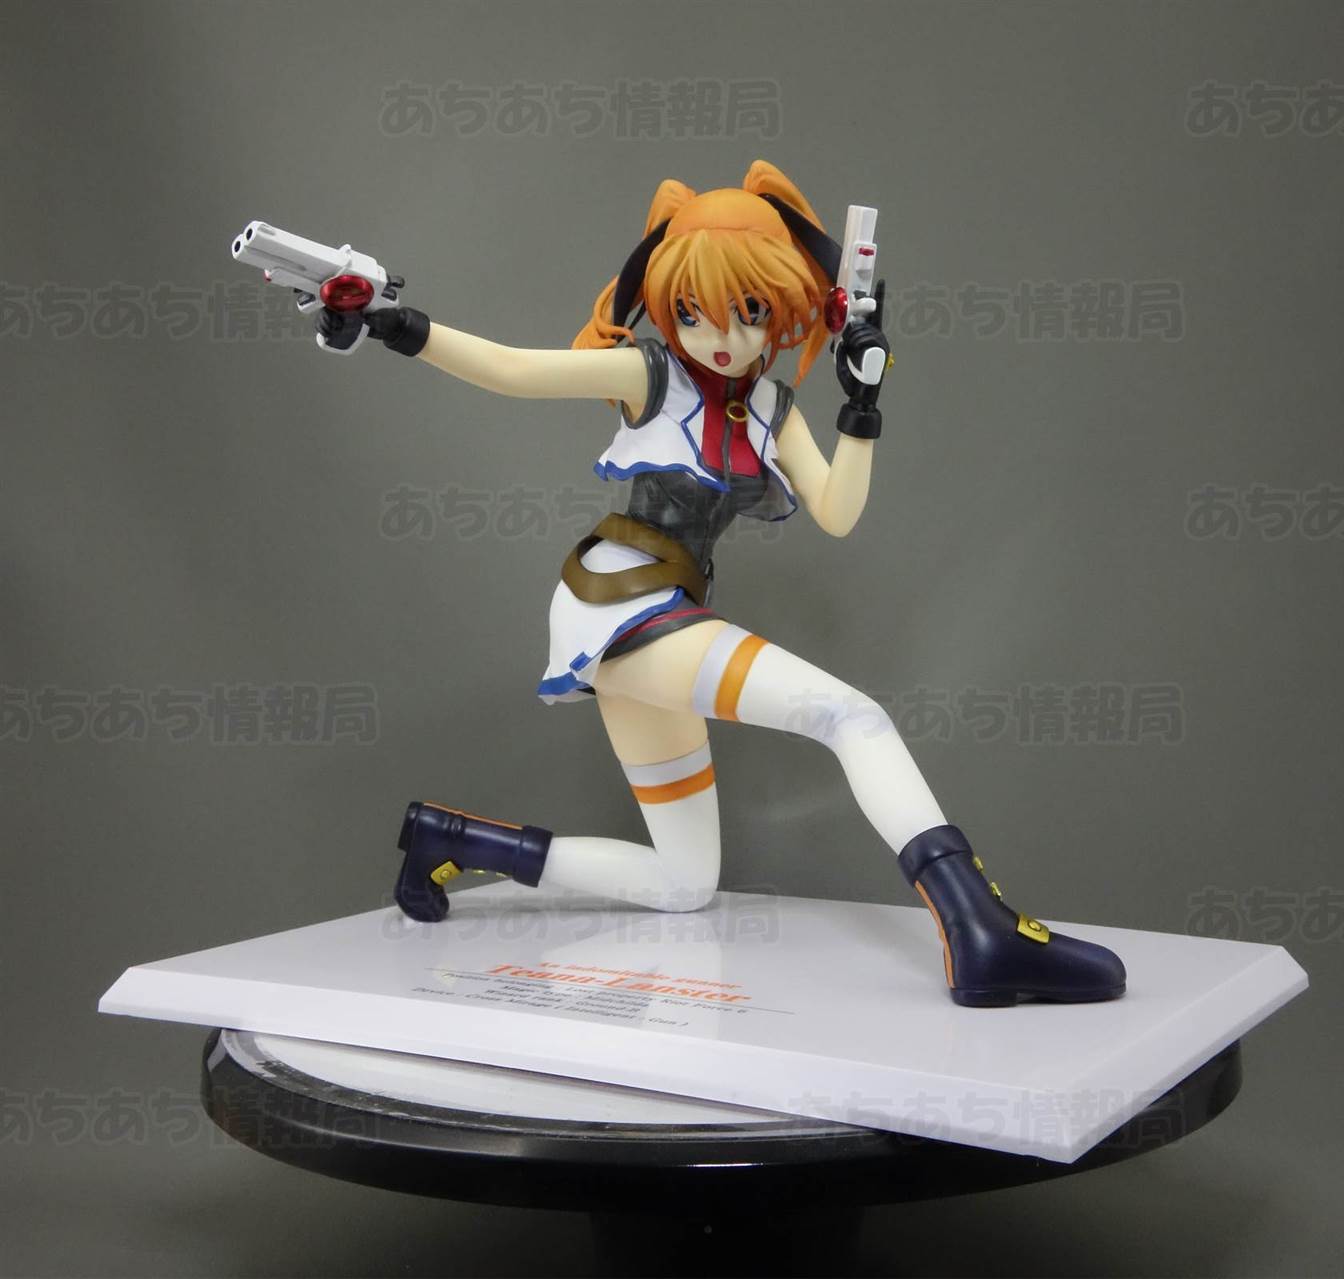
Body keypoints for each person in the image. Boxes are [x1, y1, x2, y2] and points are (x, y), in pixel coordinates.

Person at [317, 160, 1125, 1007]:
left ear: (780, 309)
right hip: (622, 603)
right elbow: (512, 369)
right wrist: (389, 321)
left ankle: (450, 838)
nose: (722, 336)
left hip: (663, 615)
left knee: (683, 882)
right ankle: (978, 925)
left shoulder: (773, 407)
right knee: (853, 717)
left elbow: (838, 511)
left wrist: (863, 404)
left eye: (749, 312)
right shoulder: (650, 375)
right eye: (695, 311)